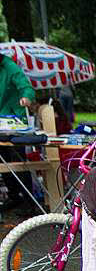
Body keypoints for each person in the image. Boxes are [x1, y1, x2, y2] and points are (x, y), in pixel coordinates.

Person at [0, 52, 35, 211]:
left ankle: (29, 201)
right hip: (1, 122)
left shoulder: (10, 67)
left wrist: (26, 97)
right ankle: (14, 197)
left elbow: (26, 86)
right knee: (2, 161)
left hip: (15, 123)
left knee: (18, 160)